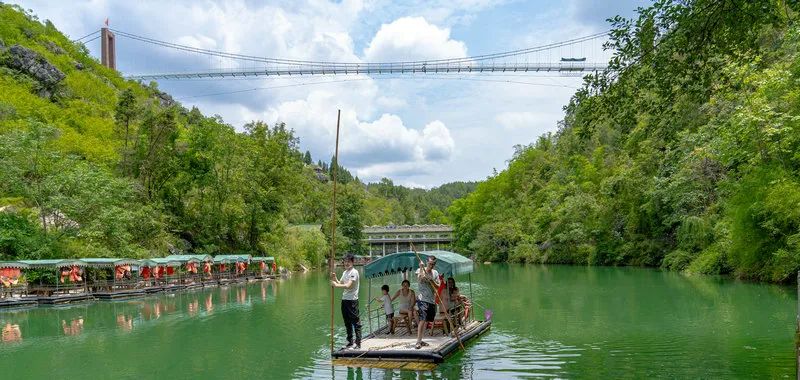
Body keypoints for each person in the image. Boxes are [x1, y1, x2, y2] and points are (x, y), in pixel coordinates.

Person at [331, 254, 361, 349]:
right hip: (345, 300)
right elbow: (341, 283)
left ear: (352, 262)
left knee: (355, 322)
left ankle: (358, 342)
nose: (346, 263)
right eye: (345, 261)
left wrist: (335, 285)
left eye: (349, 261)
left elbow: (348, 285)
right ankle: (350, 341)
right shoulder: (344, 273)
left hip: (352, 300)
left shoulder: (354, 272)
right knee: (347, 322)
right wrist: (335, 278)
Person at [414, 255, 440, 349]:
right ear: (426, 262)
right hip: (422, 299)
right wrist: (421, 267)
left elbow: (437, 287)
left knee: (427, 321)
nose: (431, 265)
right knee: (422, 319)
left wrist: (431, 280)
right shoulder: (420, 269)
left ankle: (421, 340)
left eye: (433, 264)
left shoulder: (435, 273)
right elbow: (420, 279)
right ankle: (417, 342)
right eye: (429, 263)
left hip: (431, 300)